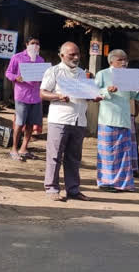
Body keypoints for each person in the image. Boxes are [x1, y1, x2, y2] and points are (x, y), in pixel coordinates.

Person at [40, 42, 101, 202]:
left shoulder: (83, 74)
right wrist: (58, 96)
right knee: (55, 156)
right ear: (61, 55)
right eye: (71, 54)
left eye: (77, 54)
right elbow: (42, 93)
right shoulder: (54, 71)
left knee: (74, 157)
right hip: (60, 119)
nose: (76, 57)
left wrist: (94, 96)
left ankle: (73, 190)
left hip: (79, 120)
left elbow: (87, 93)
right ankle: (52, 188)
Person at [94, 49, 139, 192]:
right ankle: (106, 182)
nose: (124, 63)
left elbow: (134, 94)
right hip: (108, 119)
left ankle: (122, 183)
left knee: (123, 154)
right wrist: (107, 90)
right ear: (111, 61)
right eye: (120, 60)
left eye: (125, 60)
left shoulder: (128, 75)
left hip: (124, 118)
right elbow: (93, 92)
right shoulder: (103, 74)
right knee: (108, 153)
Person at [5, 35, 45, 161]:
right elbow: (8, 73)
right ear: (26, 44)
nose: (35, 46)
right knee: (19, 122)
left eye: (37, 43)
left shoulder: (41, 60)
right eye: (32, 43)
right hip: (22, 94)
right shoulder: (17, 57)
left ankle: (23, 148)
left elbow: (44, 76)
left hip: (36, 96)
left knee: (30, 123)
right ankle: (14, 149)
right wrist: (16, 77)